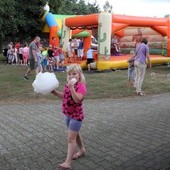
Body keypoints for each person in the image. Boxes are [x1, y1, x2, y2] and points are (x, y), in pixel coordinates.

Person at [51, 64, 87, 170]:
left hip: (76, 117)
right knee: (75, 135)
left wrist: (72, 88)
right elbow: (65, 96)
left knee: (71, 139)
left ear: (80, 75)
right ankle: (82, 150)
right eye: (69, 74)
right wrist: (55, 93)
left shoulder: (81, 86)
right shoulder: (68, 84)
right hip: (67, 115)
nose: (71, 76)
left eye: (74, 74)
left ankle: (67, 163)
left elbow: (77, 99)